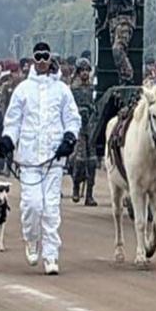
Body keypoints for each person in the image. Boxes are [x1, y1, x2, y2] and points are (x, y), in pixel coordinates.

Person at [0, 42, 81, 275]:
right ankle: (32, 239)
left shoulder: (62, 90)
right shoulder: (23, 90)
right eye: (39, 56)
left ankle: (51, 255)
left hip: (54, 159)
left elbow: (72, 118)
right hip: (28, 159)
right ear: (33, 59)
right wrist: (8, 140)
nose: (43, 60)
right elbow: (13, 121)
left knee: (51, 208)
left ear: (50, 58)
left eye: (46, 56)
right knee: (33, 205)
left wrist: (69, 138)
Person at [69, 59, 98, 206]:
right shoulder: (73, 89)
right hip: (78, 126)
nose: (85, 73)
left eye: (87, 70)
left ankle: (89, 195)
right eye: (82, 70)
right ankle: (75, 186)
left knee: (92, 162)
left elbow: (95, 105)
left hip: (90, 126)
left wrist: (92, 109)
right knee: (79, 160)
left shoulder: (92, 88)